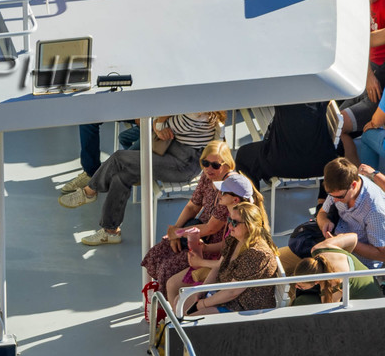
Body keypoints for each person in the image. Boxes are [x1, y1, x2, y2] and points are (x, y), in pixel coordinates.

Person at [61, 113, 226, 246]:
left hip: (182, 165)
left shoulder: (196, 114)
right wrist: (160, 122)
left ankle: (89, 192)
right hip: (171, 154)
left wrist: (160, 121)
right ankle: (110, 231)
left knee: (119, 157)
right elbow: (159, 125)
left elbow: (160, 125)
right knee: (121, 177)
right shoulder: (193, 109)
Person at [140, 142, 241, 285]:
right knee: (156, 253)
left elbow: (211, 228)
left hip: (212, 242)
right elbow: (192, 206)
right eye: (205, 163)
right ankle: (158, 296)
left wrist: (179, 233)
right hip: (195, 231)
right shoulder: (207, 177)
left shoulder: (230, 188)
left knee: (167, 268)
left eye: (215, 165)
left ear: (227, 165)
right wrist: (175, 230)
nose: (208, 169)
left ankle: (167, 303)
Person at [161, 171, 264, 310]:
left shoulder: (241, 227)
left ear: (235, 200)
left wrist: (199, 263)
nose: (219, 194)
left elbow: (226, 267)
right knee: (172, 283)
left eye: (223, 192)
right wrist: (205, 248)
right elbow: (226, 248)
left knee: (173, 285)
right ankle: (174, 321)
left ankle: (176, 323)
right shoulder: (235, 221)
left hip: (228, 282)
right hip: (222, 272)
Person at [181, 202, 279, 314]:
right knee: (181, 303)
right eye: (229, 220)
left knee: (191, 317)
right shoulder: (234, 239)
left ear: (249, 226)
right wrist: (202, 290)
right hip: (226, 295)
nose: (229, 225)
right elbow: (219, 267)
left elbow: (233, 291)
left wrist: (203, 304)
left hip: (244, 307)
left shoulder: (257, 254)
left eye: (234, 222)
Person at [235, 101, 342, 189]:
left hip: (282, 166)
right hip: (320, 166)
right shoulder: (321, 94)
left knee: (242, 155)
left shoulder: (284, 94)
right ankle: (321, 200)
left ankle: (252, 206)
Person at [312, 156, 385, 263]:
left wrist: (346, 241)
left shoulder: (374, 210)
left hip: (357, 263)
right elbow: (322, 213)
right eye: (331, 196)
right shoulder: (339, 188)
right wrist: (324, 223)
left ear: (353, 185)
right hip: (332, 248)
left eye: (340, 197)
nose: (335, 201)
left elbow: (382, 255)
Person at [289, 246, 384, 305]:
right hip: (374, 288)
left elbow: (329, 317)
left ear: (317, 281)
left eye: (301, 286)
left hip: (370, 306)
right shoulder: (320, 249)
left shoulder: (332, 285)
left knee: (304, 302)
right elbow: (353, 237)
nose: (296, 286)